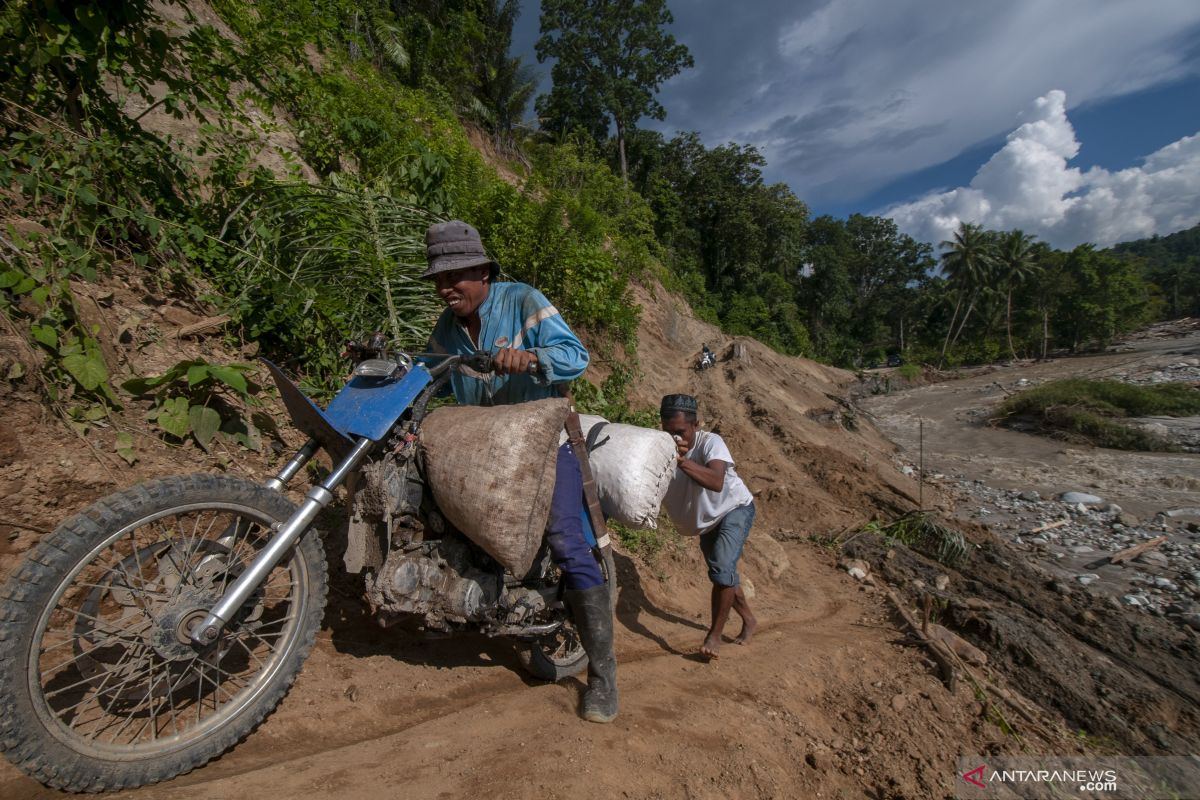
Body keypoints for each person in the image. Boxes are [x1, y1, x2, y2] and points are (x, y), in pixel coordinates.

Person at [420, 220, 617, 723]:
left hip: (543, 444)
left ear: (483, 271)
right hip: (480, 452)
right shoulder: (446, 329)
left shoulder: (523, 299)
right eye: (439, 279)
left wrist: (529, 359)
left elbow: (576, 357)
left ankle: (603, 675)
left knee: (566, 539)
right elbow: (429, 378)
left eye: (457, 276)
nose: (447, 288)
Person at [659, 394, 757, 658]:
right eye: (667, 432)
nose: (675, 439)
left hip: (734, 509)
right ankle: (749, 619)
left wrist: (680, 461)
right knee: (723, 573)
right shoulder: (660, 449)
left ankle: (714, 636)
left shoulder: (711, 442)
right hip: (706, 522)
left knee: (722, 567)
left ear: (696, 425)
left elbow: (716, 481)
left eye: (680, 432)